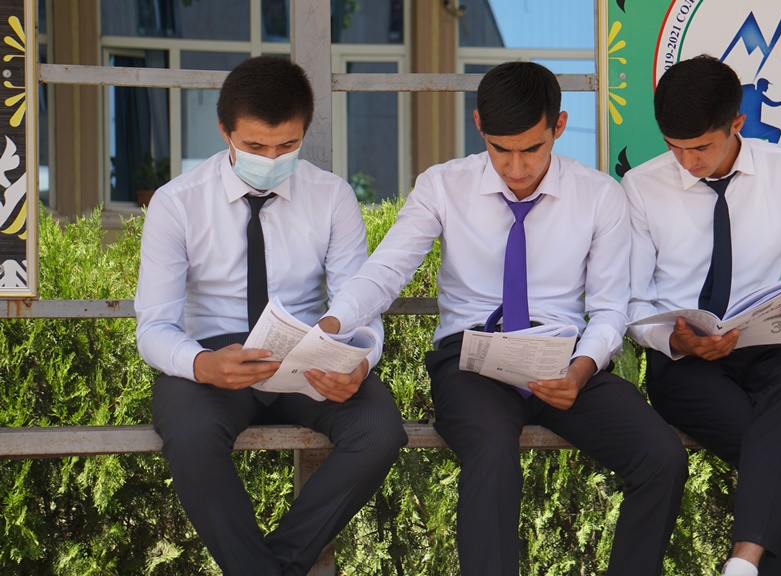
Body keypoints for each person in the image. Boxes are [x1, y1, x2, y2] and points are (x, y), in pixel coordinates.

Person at [325, 61, 688, 576]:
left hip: (566, 360)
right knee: (492, 451)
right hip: (471, 360)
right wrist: (332, 326)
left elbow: (610, 308)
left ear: (559, 126)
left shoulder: (599, 196)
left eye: (532, 149)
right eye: (501, 150)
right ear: (479, 126)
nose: (516, 169)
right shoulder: (442, 186)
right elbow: (384, 272)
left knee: (661, 456)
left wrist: (582, 369)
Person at [135, 56, 407, 576]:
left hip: (306, 354)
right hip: (214, 358)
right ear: (225, 131)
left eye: (287, 146)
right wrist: (201, 365)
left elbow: (358, 303)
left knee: (378, 430)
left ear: (304, 131)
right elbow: (154, 327)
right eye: (256, 147)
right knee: (190, 437)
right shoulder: (177, 203)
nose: (272, 159)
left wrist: (360, 362)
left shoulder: (332, 197)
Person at [622, 55, 781, 576]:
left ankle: (743, 562)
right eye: (674, 147)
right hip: (685, 363)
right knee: (777, 450)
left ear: (737, 124)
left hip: (771, 347)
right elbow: (633, 305)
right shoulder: (641, 186)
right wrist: (676, 341)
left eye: (701, 147)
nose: (687, 161)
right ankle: (745, 564)